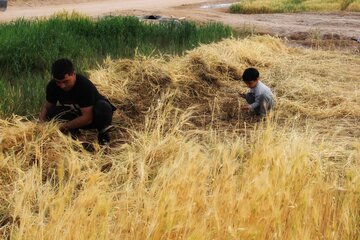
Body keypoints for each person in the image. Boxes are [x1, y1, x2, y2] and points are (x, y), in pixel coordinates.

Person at [39, 58, 116, 145]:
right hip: (75, 115)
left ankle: (103, 139)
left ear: (74, 74)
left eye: (65, 81)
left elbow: (87, 118)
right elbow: (46, 107)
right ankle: (77, 138)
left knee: (103, 107)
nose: (62, 86)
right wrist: (41, 125)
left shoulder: (84, 86)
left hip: (93, 117)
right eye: (58, 82)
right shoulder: (52, 86)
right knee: (51, 112)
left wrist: (61, 127)